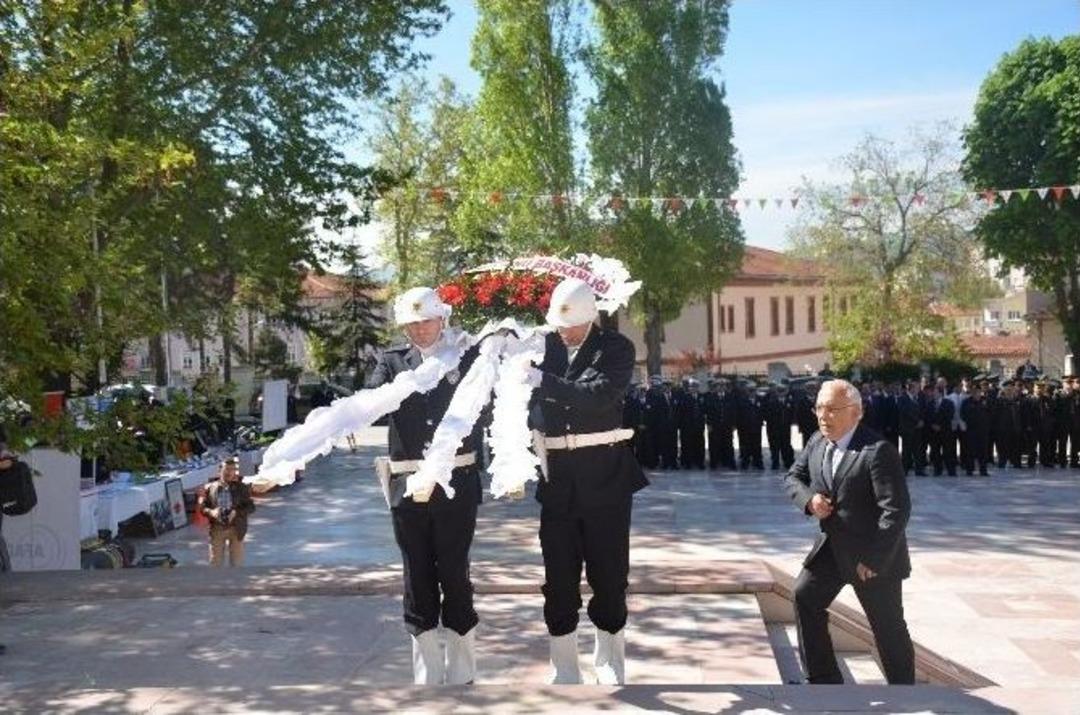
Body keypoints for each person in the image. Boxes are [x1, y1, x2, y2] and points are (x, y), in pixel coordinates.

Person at [527, 278, 649, 685]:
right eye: (560, 326)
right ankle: (563, 664)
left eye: (573, 326)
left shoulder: (615, 348)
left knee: (609, 574)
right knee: (558, 577)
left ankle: (609, 658)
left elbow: (598, 395)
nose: (566, 332)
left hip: (605, 478)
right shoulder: (543, 347)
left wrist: (544, 383)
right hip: (558, 478)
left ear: (591, 317)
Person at [366, 286, 484, 685]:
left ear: (443, 320)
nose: (418, 330)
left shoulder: (468, 358)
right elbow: (373, 404)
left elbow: (487, 405)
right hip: (406, 483)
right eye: (411, 324)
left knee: (454, 569)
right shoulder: (392, 362)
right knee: (416, 575)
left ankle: (463, 666)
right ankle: (428, 671)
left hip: (455, 481)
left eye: (425, 320)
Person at [783, 379, 915, 685]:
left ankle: (906, 692)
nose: (823, 415)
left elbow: (896, 510)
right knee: (805, 597)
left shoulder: (877, 451)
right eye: (818, 408)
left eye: (832, 409)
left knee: (887, 627)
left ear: (856, 412)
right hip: (832, 549)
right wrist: (809, 500)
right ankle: (824, 679)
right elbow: (793, 478)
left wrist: (875, 559)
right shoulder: (817, 441)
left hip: (870, 558)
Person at [198, 455, 256, 567]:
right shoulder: (210, 488)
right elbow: (203, 508)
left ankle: (235, 583)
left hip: (236, 527)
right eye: (227, 469)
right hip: (217, 528)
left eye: (233, 470)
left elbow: (251, 507)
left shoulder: (241, 488)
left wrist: (237, 512)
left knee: (237, 563)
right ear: (220, 470)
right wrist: (211, 512)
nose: (230, 473)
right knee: (215, 563)